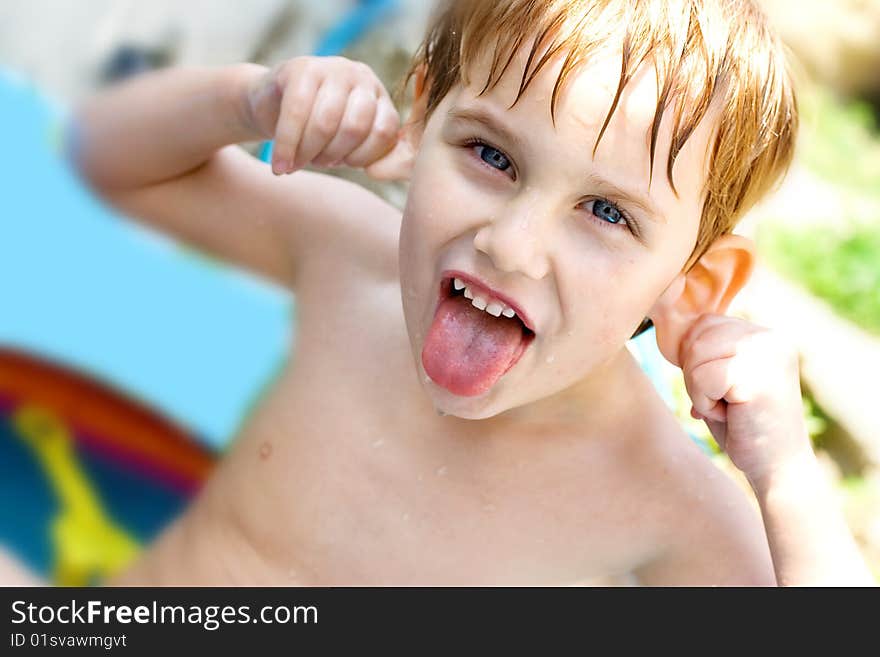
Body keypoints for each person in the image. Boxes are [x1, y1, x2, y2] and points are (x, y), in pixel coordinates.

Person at [64, 0, 870, 585]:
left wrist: (788, 480)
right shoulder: (348, 262)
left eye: (605, 212)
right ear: (421, 115)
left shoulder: (665, 508)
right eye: (491, 155)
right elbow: (100, 159)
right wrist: (249, 101)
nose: (510, 244)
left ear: (693, 286)